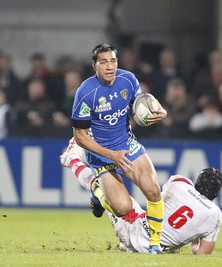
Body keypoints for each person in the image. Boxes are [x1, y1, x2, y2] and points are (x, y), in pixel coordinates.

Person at [70, 43, 167, 254]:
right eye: (103, 62)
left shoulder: (128, 79)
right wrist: (111, 155)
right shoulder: (86, 93)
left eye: (113, 61)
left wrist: (158, 110)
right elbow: (80, 137)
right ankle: (96, 190)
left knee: (153, 190)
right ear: (94, 65)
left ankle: (155, 245)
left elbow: (141, 103)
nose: (109, 66)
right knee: (123, 209)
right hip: (102, 156)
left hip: (127, 145)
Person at [60, 138, 222, 254]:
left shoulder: (181, 183)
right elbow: (202, 254)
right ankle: (100, 198)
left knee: (104, 188)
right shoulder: (215, 216)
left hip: (132, 226)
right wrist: (195, 236)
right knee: (175, 248)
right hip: (156, 248)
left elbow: (159, 201)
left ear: (197, 182)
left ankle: (72, 159)